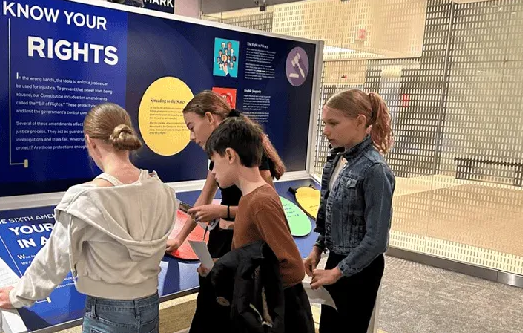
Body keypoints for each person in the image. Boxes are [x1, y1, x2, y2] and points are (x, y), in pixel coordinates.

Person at [0, 103, 178, 333]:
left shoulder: (85, 199)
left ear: (90, 142)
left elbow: (52, 262)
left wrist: (17, 295)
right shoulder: (163, 191)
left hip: (106, 314)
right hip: (149, 306)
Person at [166, 90, 285, 332]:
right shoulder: (217, 153)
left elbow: (267, 207)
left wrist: (222, 211)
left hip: (242, 249)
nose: (191, 136)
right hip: (222, 246)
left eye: (192, 126)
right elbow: (203, 201)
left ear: (209, 118)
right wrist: (179, 238)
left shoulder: (246, 150)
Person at [202, 117, 315, 332]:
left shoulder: (261, 202)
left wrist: (247, 285)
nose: (213, 171)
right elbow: (257, 251)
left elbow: (292, 267)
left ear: (229, 155)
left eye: (213, 161)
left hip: (281, 316)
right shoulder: (249, 198)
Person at [303, 89, 395, 333]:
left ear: (360, 121)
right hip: (335, 262)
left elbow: (376, 240)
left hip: (360, 270)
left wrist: (338, 272)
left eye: (333, 123)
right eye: (325, 123)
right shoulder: (336, 160)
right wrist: (317, 248)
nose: (326, 131)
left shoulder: (375, 170)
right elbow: (328, 213)